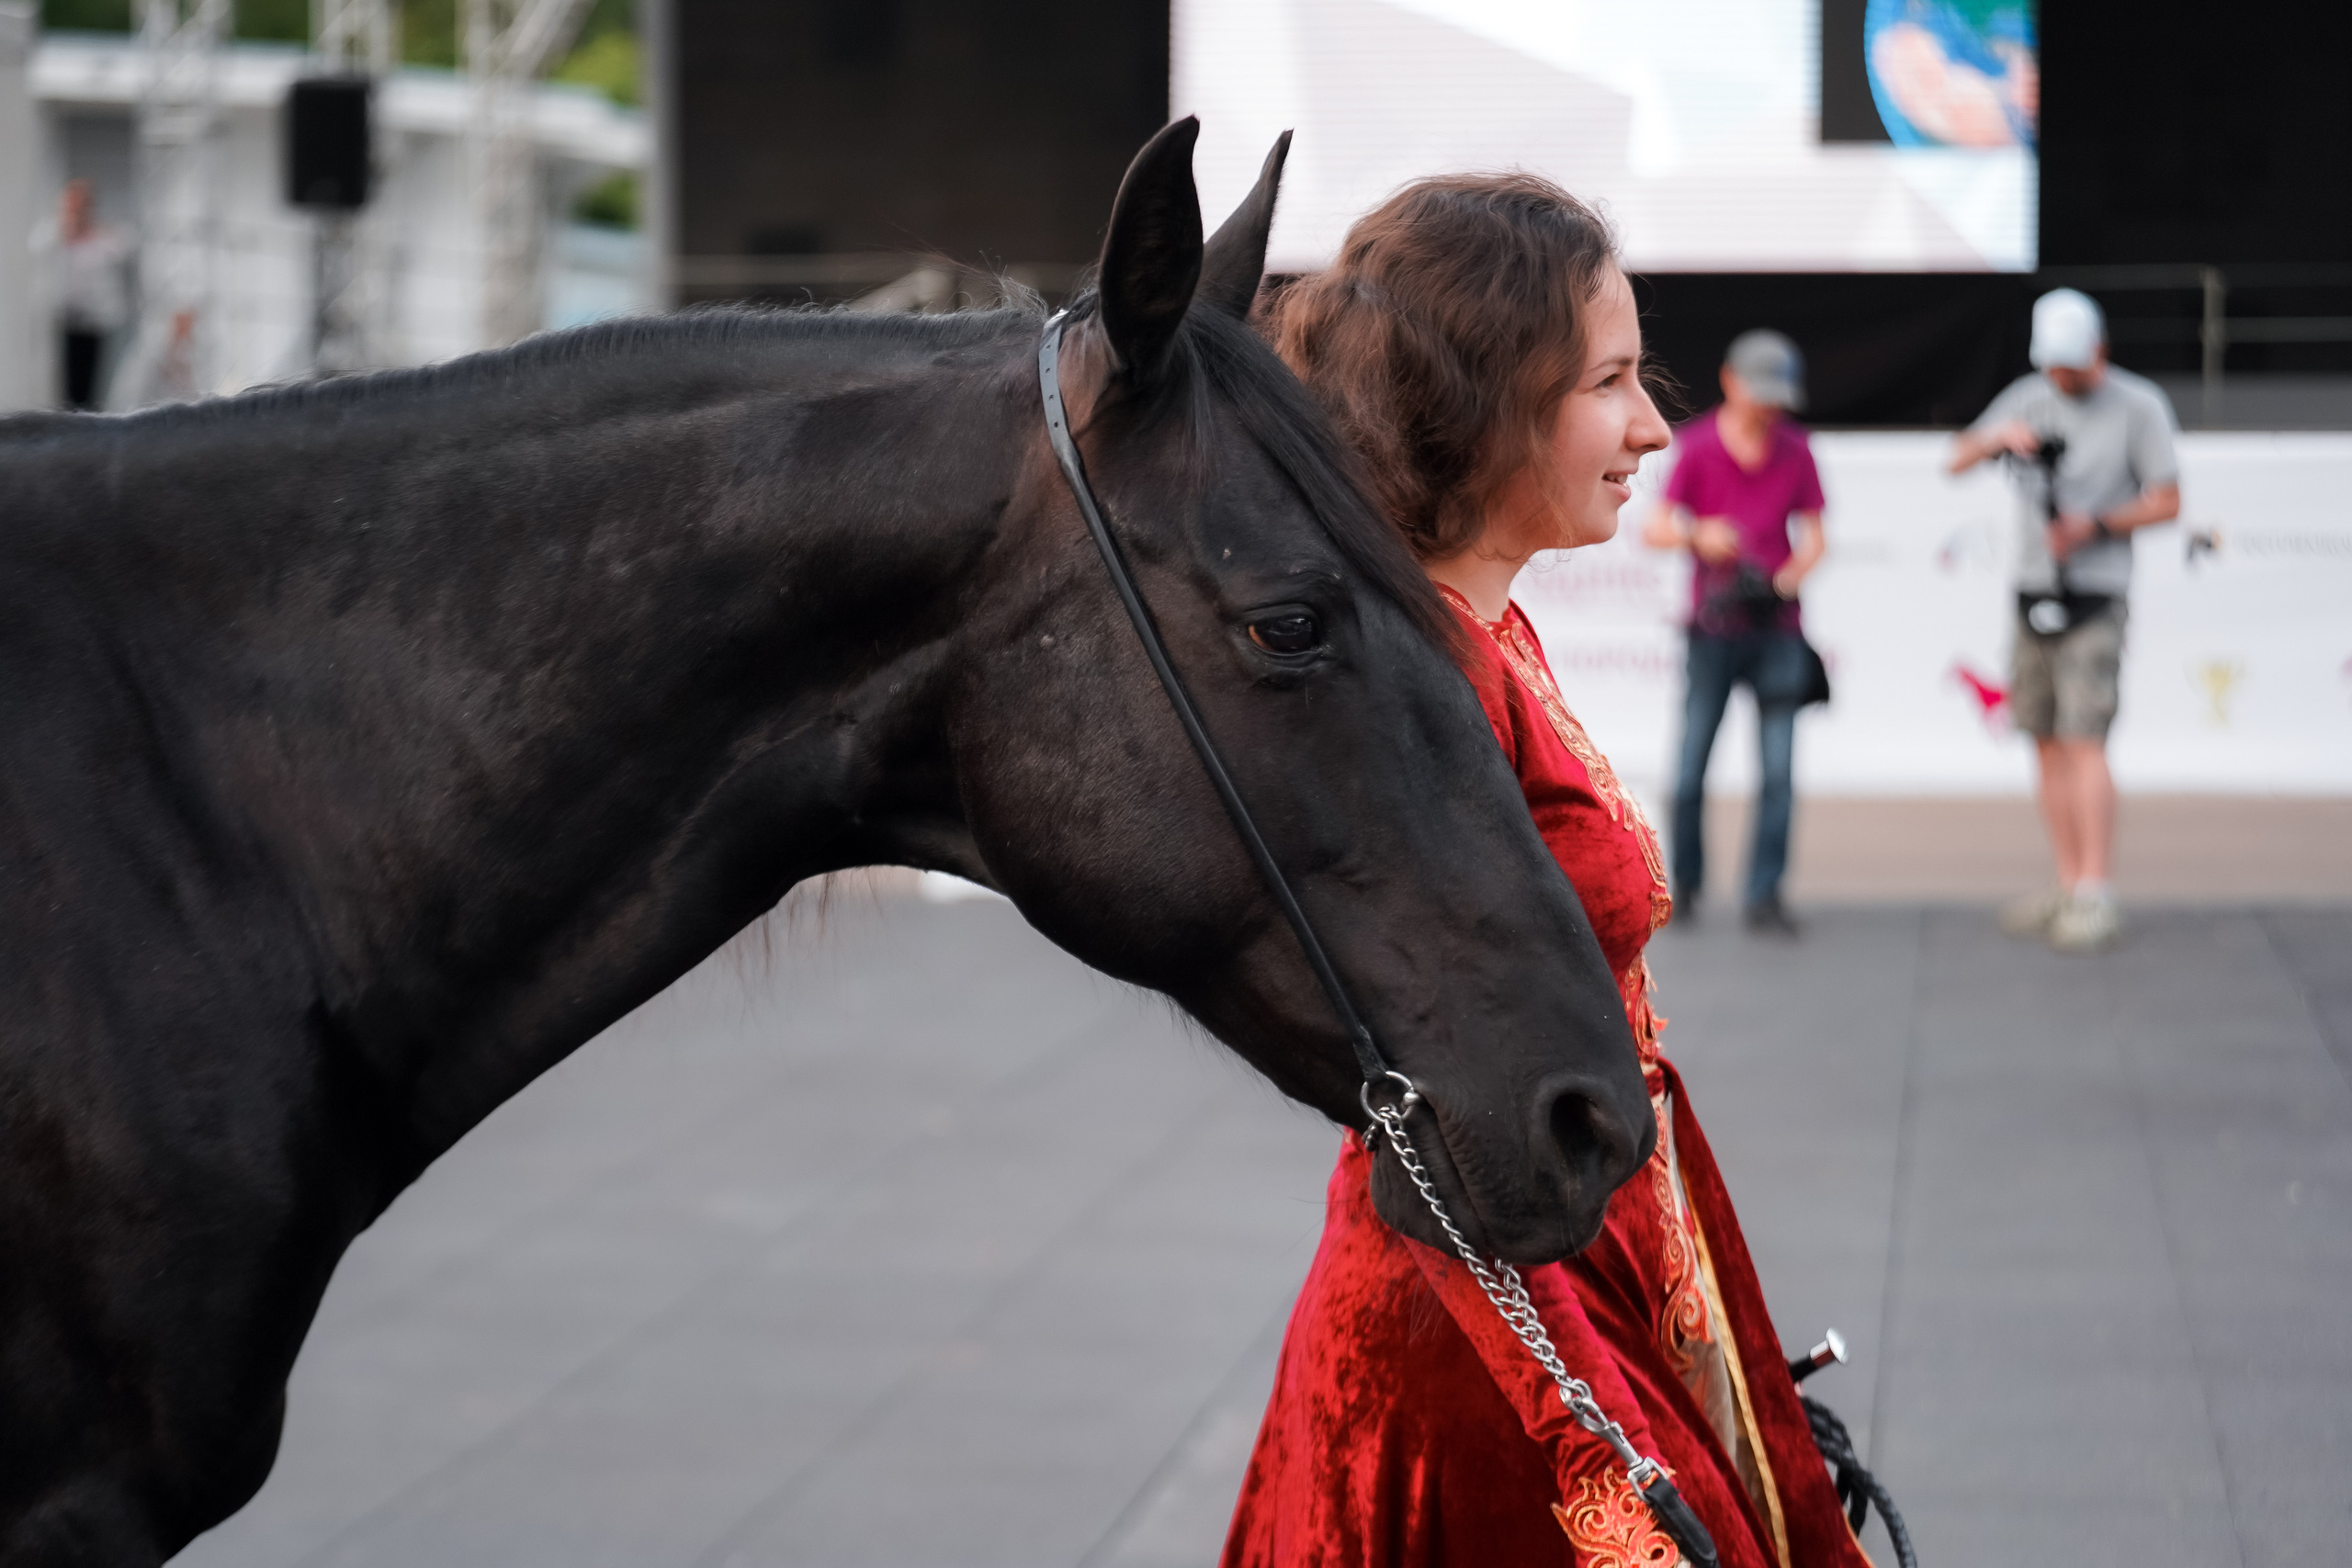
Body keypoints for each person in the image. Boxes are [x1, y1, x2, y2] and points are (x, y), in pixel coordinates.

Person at [1222, 175, 1874, 1568]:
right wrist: (1576, 1389)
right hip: (1492, 1286)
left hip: (1587, 1223)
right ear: (1488, 402)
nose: (1654, 425)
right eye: (1614, 380)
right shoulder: (1428, 680)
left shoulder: (1481, 633)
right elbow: (1420, 1087)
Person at [1949, 288, 2179, 953]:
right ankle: (2067, 878)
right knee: (2044, 738)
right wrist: (1999, 436)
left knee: (2085, 739)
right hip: (2031, 591)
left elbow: (2168, 500)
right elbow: (1956, 459)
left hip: (2095, 594)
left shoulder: (2138, 405)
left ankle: (2094, 889)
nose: (2060, 378)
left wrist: (2096, 525)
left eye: (2071, 365)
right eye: (2052, 365)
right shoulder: (2029, 395)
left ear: (2099, 349)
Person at [1641, 331, 1827, 937]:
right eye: (1761, 394)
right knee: (1691, 765)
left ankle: (1765, 893)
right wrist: (1702, 535)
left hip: (1776, 627)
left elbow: (1816, 537)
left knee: (1778, 772)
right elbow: (1656, 529)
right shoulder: (1696, 448)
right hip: (1713, 628)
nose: (1769, 408)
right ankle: (1686, 885)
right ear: (1730, 382)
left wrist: (1792, 574)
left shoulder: (1796, 449)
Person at [46, 179, 131, 411]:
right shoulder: (54, 239)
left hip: (95, 323)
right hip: (64, 320)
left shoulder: (106, 239)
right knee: (65, 388)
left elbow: (124, 251)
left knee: (91, 388)